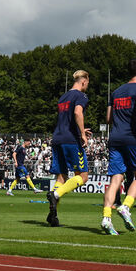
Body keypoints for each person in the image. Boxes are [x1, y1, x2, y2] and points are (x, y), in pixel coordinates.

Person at [100, 59, 136, 235]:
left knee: (116, 179)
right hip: (132, 138)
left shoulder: (116, 92)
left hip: (115, 138)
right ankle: (126, 206)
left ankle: (106, 217)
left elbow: (108, 118)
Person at [45, 70, 91, 227]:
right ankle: (55, 194)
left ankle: (53, 215)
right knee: (83, 176)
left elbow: (66, 120)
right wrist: (82, 135)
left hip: (57, 138)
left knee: (61, 177)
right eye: (87, 83)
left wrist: (80, 130)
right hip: (70, 140)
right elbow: (78, 112)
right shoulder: (81, 96)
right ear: (83, 81)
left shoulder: (63, 97)